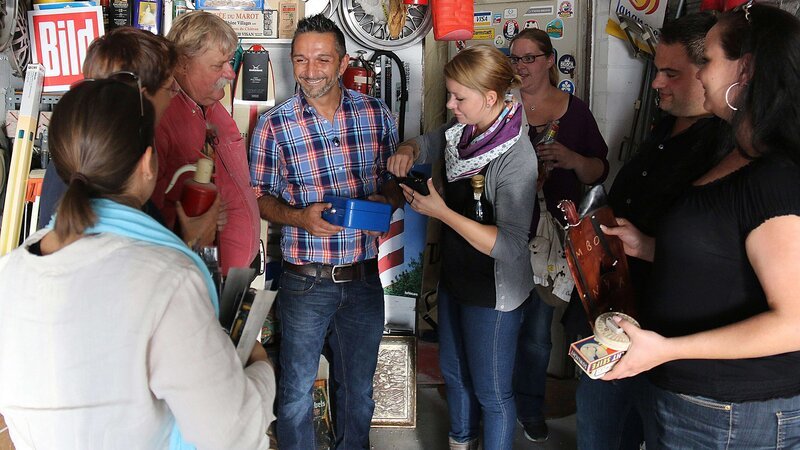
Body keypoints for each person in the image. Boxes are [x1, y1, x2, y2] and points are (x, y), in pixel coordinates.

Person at [0, 79, 274, 449]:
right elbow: (228, 433)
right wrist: (261, 371)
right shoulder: (166, 278)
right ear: (147, 162)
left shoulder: (11, 272)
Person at [604, 4, 800, 448]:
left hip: (733, 412)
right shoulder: (737, 152)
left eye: (707, 62)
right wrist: (649, 245)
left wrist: (669, 348)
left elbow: (795, 322)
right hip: (695, 402)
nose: (701, 75)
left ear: (744, 70)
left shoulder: (777, 178)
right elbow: (724, 257)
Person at [249, 14, 401, 450]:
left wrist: (386, 199)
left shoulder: (375, 114)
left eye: (321, 59)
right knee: (295, 393)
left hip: (363, 278)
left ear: (342, 62)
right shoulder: (274, 125)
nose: (310, 70)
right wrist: (300, 217)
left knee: (359, 392)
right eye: (300, 59)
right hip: (305, 281)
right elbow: (257, 195)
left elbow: (394, 181)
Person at [573, 12, 724, 450]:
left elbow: (724, 256)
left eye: (671, 73)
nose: (657, 82)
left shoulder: (726, 147)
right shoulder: (664, 125)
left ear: (713, 71)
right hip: (614, 310)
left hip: (664, 334)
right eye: (657, 70)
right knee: (598, 430)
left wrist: (651, 248)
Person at [387, 44, 537, 450]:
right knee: (454, 374)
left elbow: (510, 246)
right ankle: (460, 441)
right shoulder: (464, 133)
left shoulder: (516, 157)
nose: (450, 105)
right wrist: (408, 149)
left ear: (491, 98)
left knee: (493, 394)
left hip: (493, 292)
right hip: (457, 279)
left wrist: (441, 212)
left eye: (459, 97)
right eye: (449, 95)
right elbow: (431, 142)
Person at [507, 28, 609, 443]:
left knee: (536, 333)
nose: (521, 66)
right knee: (500, 325)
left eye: (529, 58)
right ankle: (499, 405)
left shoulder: (575, 111)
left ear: (550, 60)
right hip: (506, 233)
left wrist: (570, 159)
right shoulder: (503, 106)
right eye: (515, 59)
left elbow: (600, 171)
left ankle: (530, 409)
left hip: (556, 243)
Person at [38, 27, 218, 248]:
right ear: (141, 98)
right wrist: (190, 243)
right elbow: (122, 264)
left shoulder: (75, 149)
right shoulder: (115, 165)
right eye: (170, 87)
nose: (173, 97)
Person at [153, 11, 260, 275]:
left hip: (229, 274)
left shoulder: (212, 107)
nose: (231, 74)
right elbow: (149, 214)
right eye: (218, 65)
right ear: (182, 64)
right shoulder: (162, 117)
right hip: (186, 273)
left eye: (230, 62)